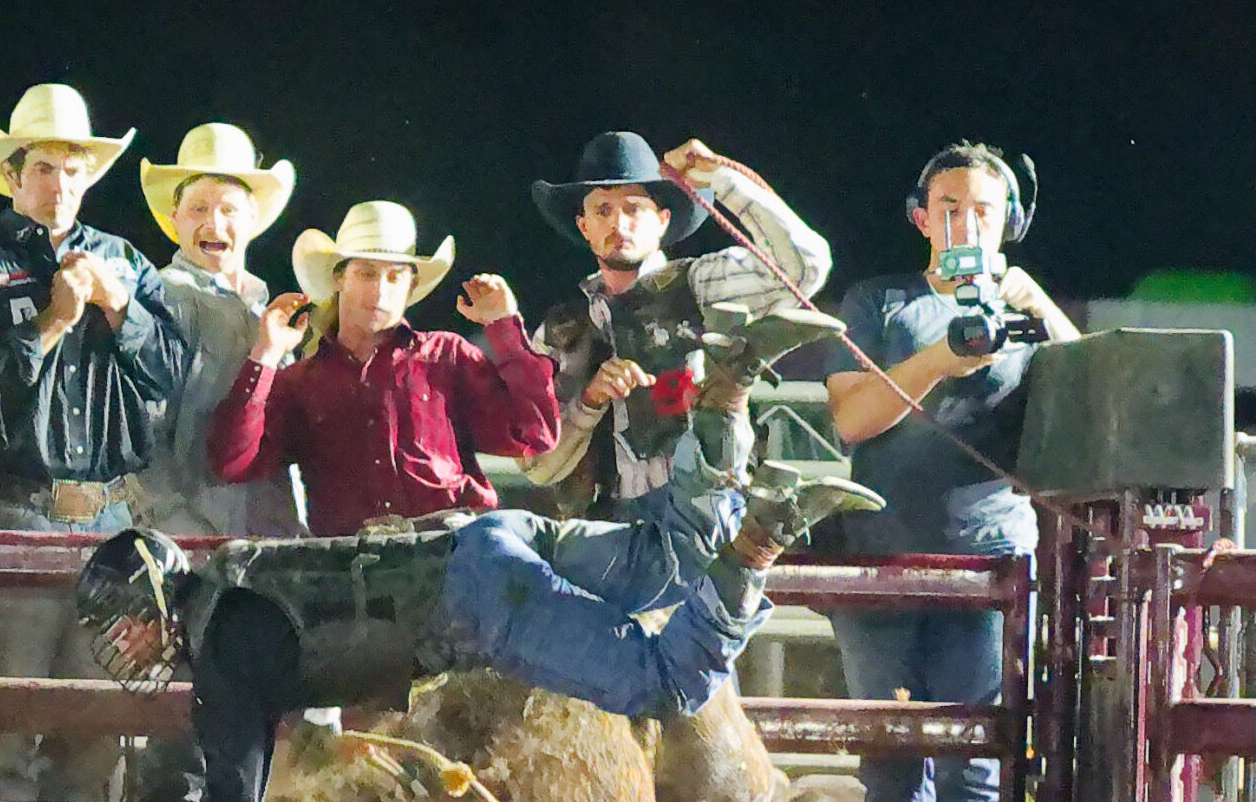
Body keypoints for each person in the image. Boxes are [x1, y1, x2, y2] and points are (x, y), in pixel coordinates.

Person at [75, 465, 883, 802]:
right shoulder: (232, 577)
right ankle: (728, 408)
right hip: (485, 537)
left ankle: (760, 540)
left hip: (476, 604)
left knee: (664, 682)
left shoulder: (219, 656)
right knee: (657, 564)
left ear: (152, 600)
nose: (124, 642)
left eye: (124, 623)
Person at [821, 144, 1079, 802]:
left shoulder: (1029, 312)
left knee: (978, 765)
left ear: (1010, 224)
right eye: (950, 205)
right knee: (891, 764)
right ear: (921, 217)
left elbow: (1100, 393)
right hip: (883, 560)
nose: (966, 221)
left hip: (990, 564)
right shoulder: (879, 300)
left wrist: (1038, 308)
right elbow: (851, 420)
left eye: (984, 209)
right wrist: (942, 357)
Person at [0, 83, 182, 802]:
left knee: (96, 732)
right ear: (14, 176)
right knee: (4, 727)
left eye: (73, 169)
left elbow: (170, 376)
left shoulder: (128, 265)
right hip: (14, 507)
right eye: (44, 168)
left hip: (107, 513)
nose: (60, 183)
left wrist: (121, 313)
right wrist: (52, 323)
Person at [524, 131, 839, 578]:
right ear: (584, 226)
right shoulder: (561, 331)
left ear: (662, 220)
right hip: (612, 526)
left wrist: (721, 179)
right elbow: (538, 465)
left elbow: (805, 267)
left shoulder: (699, 285)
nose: (620, 223)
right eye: (603, 210)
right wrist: (589, 402)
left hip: (708, 510)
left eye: (635, 208)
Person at [206, 201, 557, 535]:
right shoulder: (300, 383)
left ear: (411, 286)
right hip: (355, 569)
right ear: (339, 278)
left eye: (394, 277)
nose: (379, 291)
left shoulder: (446, 357)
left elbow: (535, 434)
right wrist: (265, 354)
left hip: (457, 551)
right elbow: (233, 462)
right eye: (366, 273)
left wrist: (504, 327)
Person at [131, 123, 302, 537]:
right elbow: (143, 440)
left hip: (271, 541)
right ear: (174, 219)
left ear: (252, 218)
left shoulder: (267, 307)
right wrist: (178, 535)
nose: (214, 223)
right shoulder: (160, 301)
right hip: (195, 543)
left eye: (228, 209)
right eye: (198, 209)